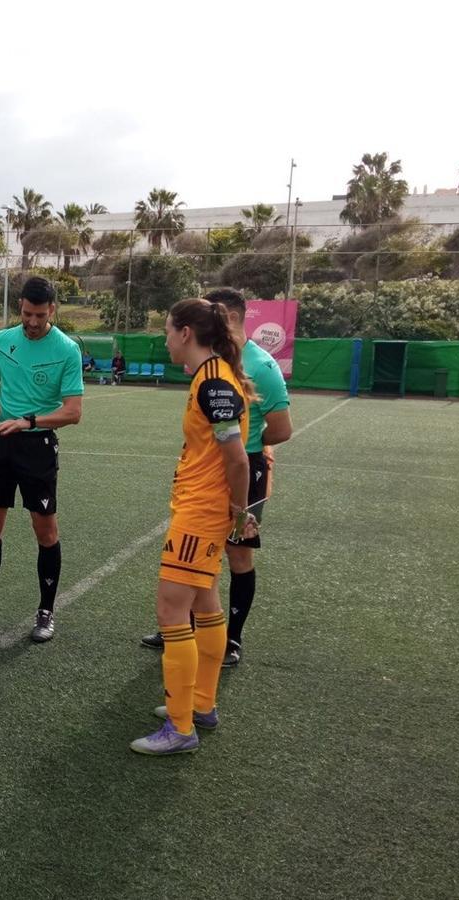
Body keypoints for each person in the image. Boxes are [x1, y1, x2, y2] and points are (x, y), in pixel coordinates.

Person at [140, 288, 292, 666]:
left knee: (237, 555)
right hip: (215, 471)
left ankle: (230, 640)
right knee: (203, 570)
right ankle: (189, 634)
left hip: (239, 471)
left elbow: (278, 430)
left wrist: (241, 452)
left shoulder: (252, 368)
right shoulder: (213, 366)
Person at [130, 298, 253, 755]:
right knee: (205, 605)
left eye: (167, 330)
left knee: (170, 611)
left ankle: (180, 728)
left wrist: (238, 511)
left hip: (201, 514)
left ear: (185, 333)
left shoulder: (214, 383)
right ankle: (201, 704)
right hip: (204, 510)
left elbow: (237, 459)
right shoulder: (210, 377)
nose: (165, 340)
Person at [0, 276, 83, 642]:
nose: (33, 322)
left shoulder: (67, 350)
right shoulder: (3, 341)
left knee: (45, 530)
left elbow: (73, 412)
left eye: (40, 315)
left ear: (52, 310)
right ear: (19, 307)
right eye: (26, 314)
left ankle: (46, 611)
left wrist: (29, 421)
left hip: (37, 446)